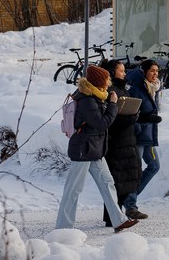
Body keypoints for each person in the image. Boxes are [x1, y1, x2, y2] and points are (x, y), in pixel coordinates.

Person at [55, 65, 138, 233]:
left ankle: (119, 220)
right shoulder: (87, 100)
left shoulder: (96, 97)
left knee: (108, 184)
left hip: (94, 150)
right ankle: (63, 227)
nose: (109, 83)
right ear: (99, 81)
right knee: (73, 189)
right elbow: (101, 123)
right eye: (107, 79)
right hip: (83, 150)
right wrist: (113, 105)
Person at [100, 60, 142, 227]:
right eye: (121, 71)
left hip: (126, 139)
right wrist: (131, 117)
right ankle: (113, 217)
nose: (125, 73)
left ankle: (112, 216)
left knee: (124, 177)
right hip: (116, 140)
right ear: (112, 72)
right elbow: (112, 118)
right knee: (117, 179)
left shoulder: (121, 88)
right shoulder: (110, 91)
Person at [122, 58, 162, 220]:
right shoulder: (137, 89)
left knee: (153, 166)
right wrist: (147, 118)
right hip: (138, 135)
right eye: (152, 71)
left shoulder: (153, 88)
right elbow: (131, 112)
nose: (155, 74)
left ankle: (127, 197)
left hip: (147, 136)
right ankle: (130, 205)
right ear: (144, 72)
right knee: (135, 171)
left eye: (157, 71)